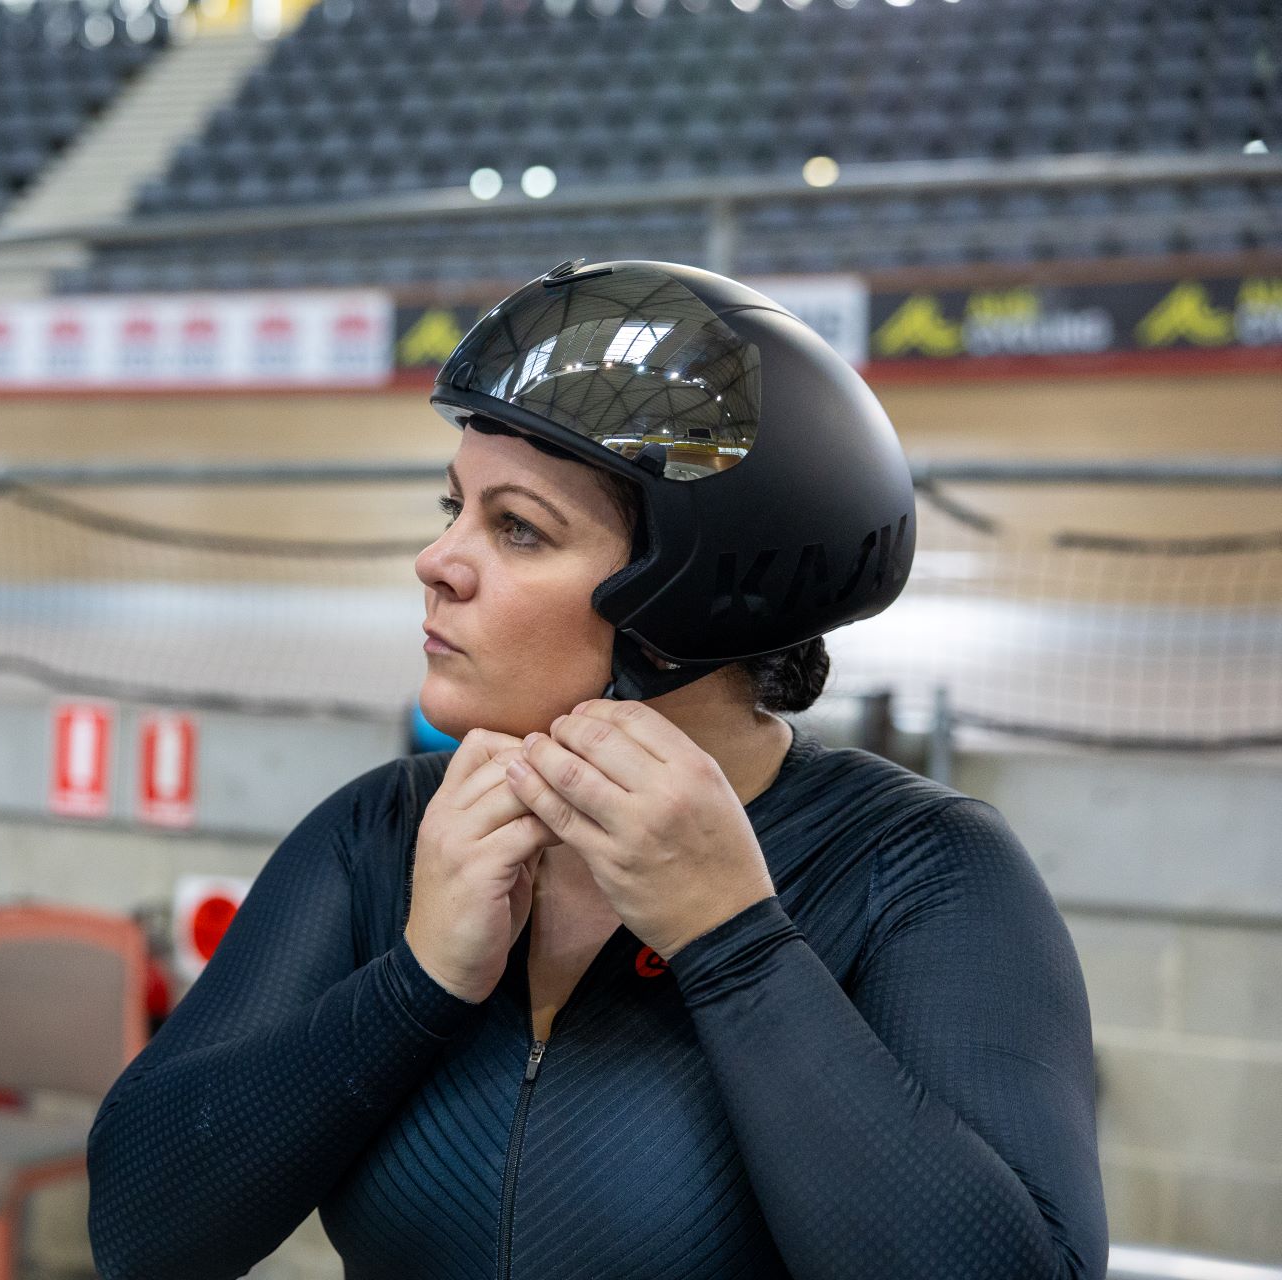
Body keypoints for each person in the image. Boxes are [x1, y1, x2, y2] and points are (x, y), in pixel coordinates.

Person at [86, 261, 1107, 1279]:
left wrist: (738, 947)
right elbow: (140, 1234)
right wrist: (414, 981)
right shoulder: (382, 834)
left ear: (691, 597)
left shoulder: (919, 869)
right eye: (452, 506)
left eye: (518, 528)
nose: (437, 561)